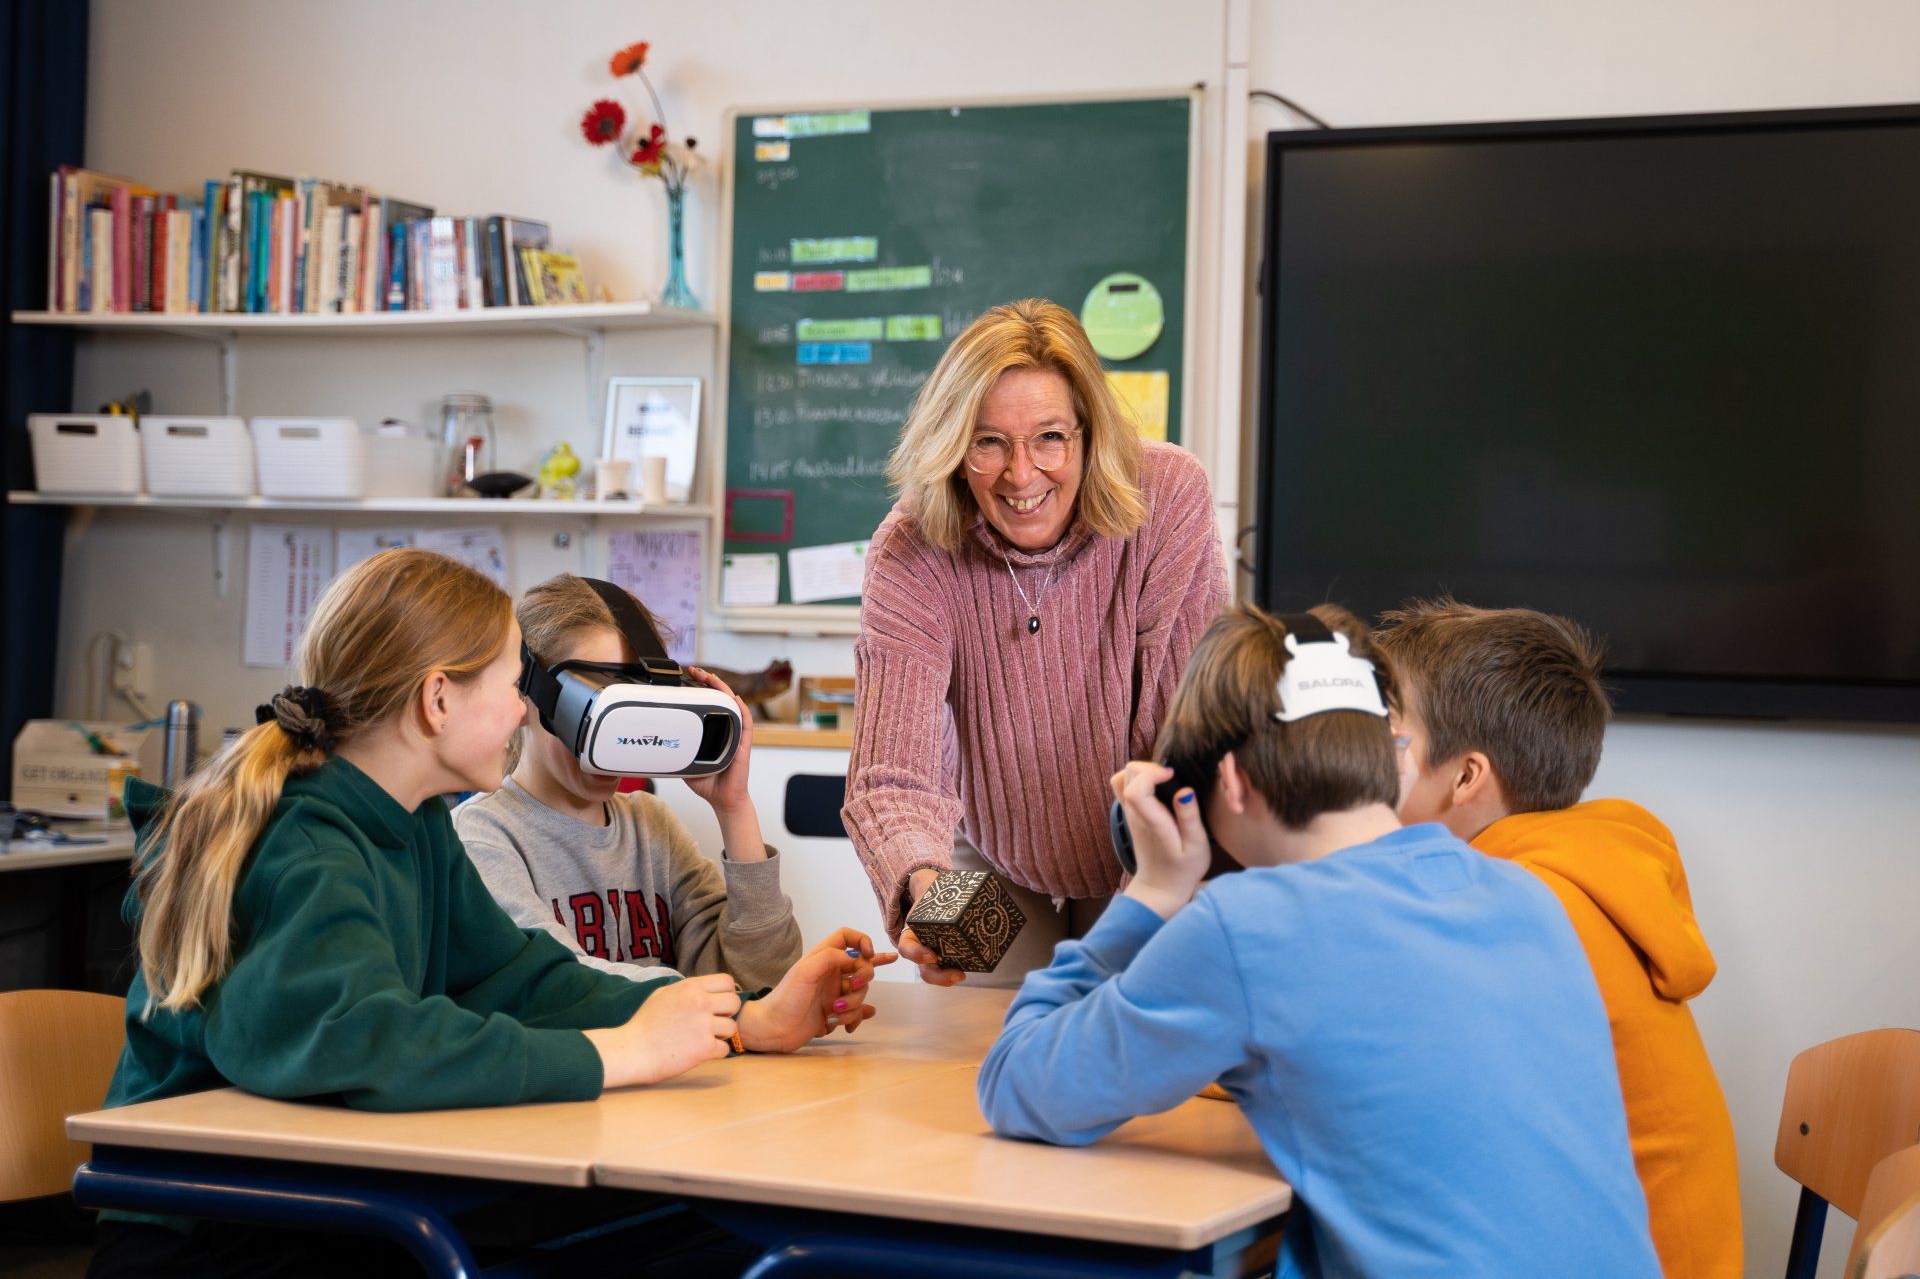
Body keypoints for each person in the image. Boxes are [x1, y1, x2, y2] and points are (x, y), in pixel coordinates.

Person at [90, 549, 890, 1278]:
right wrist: (620, 1054)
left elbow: (519, 978)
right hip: (210, 1229)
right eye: (517, 684)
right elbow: (366, 1042)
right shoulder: (303, 844)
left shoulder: (415, 824)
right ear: (438, 699)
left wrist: (742, 1024)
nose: (523, 710)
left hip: (320, 1198)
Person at [976, 603, 1660, 1278]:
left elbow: (1016, 1086)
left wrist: (1154, 892)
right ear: (1389, 759)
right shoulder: (1526, 899)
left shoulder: (1248, 926)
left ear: (1232, 782)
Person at [844, 298, 1228, 985]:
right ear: (955, 447)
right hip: (994, 852)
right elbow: (893, 775)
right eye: (989, 442)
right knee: (980, 1051)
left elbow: (1183, 739)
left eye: (1049, 437)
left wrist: (1126, 933)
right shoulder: (911, 549)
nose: (1022, 476)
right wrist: (925, 888)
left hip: (1142, 843)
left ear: (1089, 433)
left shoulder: (1168, 496)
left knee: (1116, 1038)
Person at [1374, 597, 1741, 1279]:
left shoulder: (1512, 911)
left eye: (1385, 737)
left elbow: (1343, 1059)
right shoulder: (1572, 865)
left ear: (1463, 778)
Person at [455, 573, 804, 992]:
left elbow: (762, 979)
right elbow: (557, 986)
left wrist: (734, 808)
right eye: (593, 707)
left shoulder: (652, 827)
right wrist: (721, 1003)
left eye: (633, 705)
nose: (614, 740)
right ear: (525, 692)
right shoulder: (482, 837)